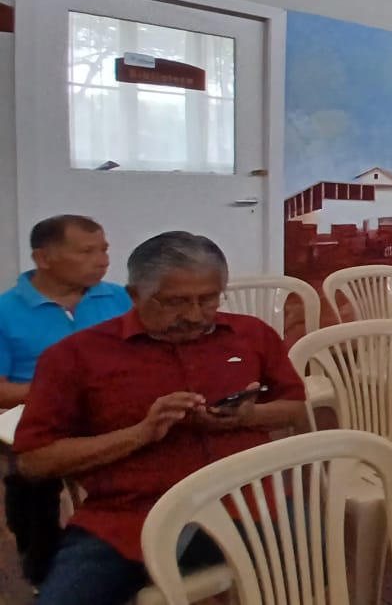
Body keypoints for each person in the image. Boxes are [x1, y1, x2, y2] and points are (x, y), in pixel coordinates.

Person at [12, 231, 307, 605]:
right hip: (132, 515)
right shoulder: (75, 357)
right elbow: (34, 462)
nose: (195, 316)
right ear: (134, 296)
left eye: (208, 299)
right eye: (175, 302)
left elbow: (294, 406)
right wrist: (141, 433)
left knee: (313, 577)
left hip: (251, 503)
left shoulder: (250, 334)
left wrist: (247, 416)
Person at [0, 215, 131, 587]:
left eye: (104, 249)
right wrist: (61, 389)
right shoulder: (6, 311)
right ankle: (41, 562)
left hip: (117, 408)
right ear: (44, 258)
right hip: (42, 413)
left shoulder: (118, 298)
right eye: (87, 252)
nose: (103, 260)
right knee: (32, 475)